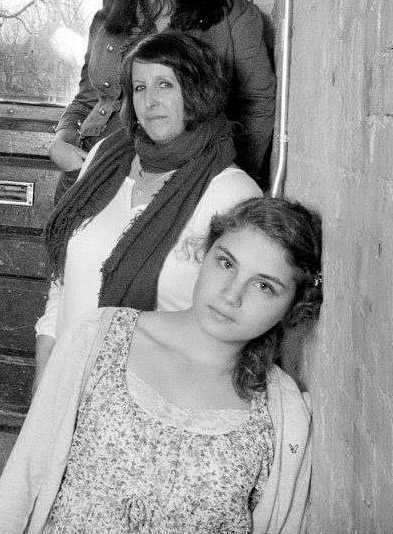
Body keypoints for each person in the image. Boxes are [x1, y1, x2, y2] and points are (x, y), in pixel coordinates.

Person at [0, 195, 322, 534]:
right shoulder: (97, 338)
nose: (231, 295)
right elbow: (23, 482)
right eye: (226, 263)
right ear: (204, 255)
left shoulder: (282, 409)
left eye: (264, 285)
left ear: (293, 306)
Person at [36, 31, 261, 386]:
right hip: (67, 380)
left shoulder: (232, 193)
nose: (150, 100)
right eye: (139, 87)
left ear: (198, 91)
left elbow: (234, 330)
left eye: (165, 85)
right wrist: (45, 370)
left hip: (153, 397)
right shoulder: (105, 157)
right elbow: (62, 282)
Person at [50, 0, 275, 196]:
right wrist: (61, 139)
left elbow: (258, 105)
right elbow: (89, 96)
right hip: (93, 172)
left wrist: (229, 181)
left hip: (184, 183)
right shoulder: (108, 19)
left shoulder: (232, 15)